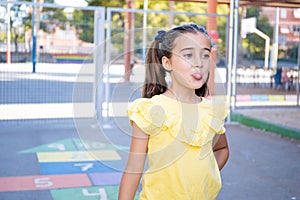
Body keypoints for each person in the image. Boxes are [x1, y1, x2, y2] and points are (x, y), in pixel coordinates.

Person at [118, 24, 229, 200]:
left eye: (205, 55)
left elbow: (222, 148)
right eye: (188, 55)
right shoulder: (150, 110)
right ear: (167, 63)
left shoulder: (211, 111)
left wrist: (206, 174)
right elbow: (133, 171)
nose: (199, 63)